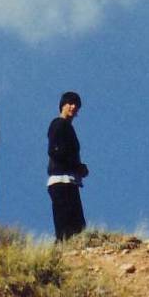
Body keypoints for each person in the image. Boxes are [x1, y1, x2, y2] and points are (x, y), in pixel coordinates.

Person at [46, 91, 88, 241]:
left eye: (76, 105)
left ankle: (70, 252)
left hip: (69, 180)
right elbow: (54, 151)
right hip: (60, 180)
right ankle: (63, 253)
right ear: (62, 106)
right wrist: (76, 166)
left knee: (76, 226)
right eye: (70, 103)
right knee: (66, 226)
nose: (73, 107)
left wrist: (78, 167)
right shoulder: (58, 124)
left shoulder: (67, 127)